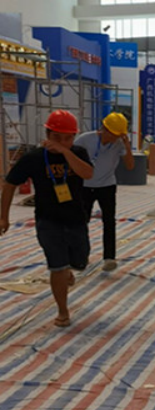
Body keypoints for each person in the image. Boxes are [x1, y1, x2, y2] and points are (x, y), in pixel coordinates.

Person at [0, 110, 94, 327]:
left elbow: (88, 174)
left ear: (74, 137)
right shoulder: (33, 158)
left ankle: (69, 269)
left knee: (80, 262)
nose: (62, 142)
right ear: (47, 134)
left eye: (68, 138)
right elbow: (10, 185)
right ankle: (63, 310)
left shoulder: (78, 152)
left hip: (76, 219)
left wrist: (65, 151)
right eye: (56, 137)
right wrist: (3, 217)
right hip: (48, 221)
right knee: (57, 266)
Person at [75, 112, 134, 272]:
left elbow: (130, 166)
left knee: (109, 222)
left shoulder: (119, 144)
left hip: (107, 186)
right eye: (114, 134)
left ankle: (109, 257)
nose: (115, 138)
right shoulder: (84, 140)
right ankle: (81, 255)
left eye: (118, 135)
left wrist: (127, 146)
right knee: (82, 222)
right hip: (85, 186)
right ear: (104, 129)